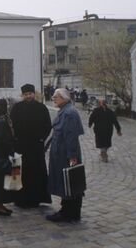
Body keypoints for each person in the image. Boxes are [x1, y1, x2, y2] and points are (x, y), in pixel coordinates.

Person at [47, 88, 86, 223]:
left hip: (66, 154)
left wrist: (72, 157)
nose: (53, 99)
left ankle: (70, 212)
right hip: (61, 152)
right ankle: (67, 210)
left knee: (69, 180)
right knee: (66, 181)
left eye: (55, 97)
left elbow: (71, 137)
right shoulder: (65, 110)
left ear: (64, 98)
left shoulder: (69, 113)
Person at [10, 83, 52, 208]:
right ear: (22, 95)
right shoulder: (16, 108)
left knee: (35, 172)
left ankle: (36, 198)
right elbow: (11, 125)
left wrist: (41, 139)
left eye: (30, 94)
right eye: (25, 94)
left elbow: (47, 126)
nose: (28, 96)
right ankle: (17, 198)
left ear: (34, 94)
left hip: (35, 146)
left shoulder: (41, 108)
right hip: (20, 145)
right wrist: (14, 139)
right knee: (17, 171)